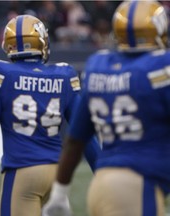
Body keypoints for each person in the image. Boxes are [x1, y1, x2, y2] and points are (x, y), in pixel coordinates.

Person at [0, 14, 100, 216]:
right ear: (42, 42)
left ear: (8, 44)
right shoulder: (64, 74)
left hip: (21, 172)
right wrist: (102, 175)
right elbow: (83, 135)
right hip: (56, 175)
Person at [42, 1, 170, 216]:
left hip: (103, 183)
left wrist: (60, 192)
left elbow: (75, 140)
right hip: (136, 185)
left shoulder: (100, 66)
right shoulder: (160, 67)